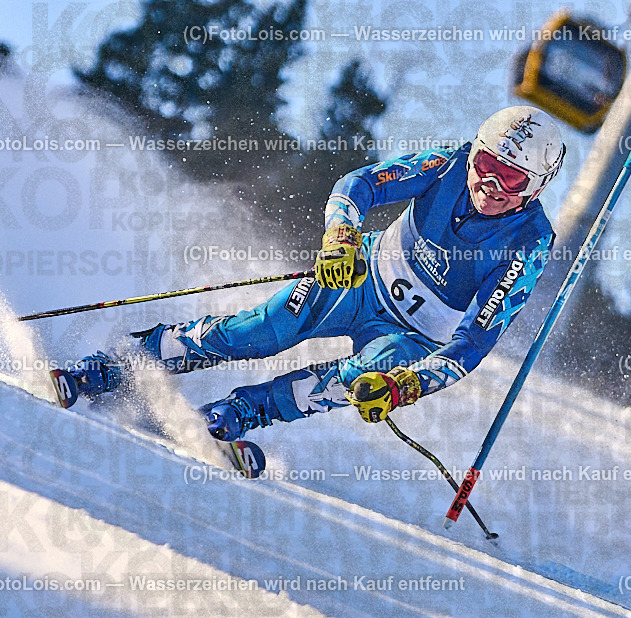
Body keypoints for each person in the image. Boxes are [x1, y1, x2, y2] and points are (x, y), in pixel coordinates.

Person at [68, 105, 565, 441]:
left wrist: (405, 387)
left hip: (413, 334)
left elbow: (472, 344)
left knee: (358, 380)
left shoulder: (529, 244)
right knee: (263, 330)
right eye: (486, 162)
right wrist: (341, 237)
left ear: (537, 187)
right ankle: (120, 363)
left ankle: (239, 414)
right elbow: (361, 184)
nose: (491, 183)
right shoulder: (449, 165)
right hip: (361, 276)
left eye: (513, 177)